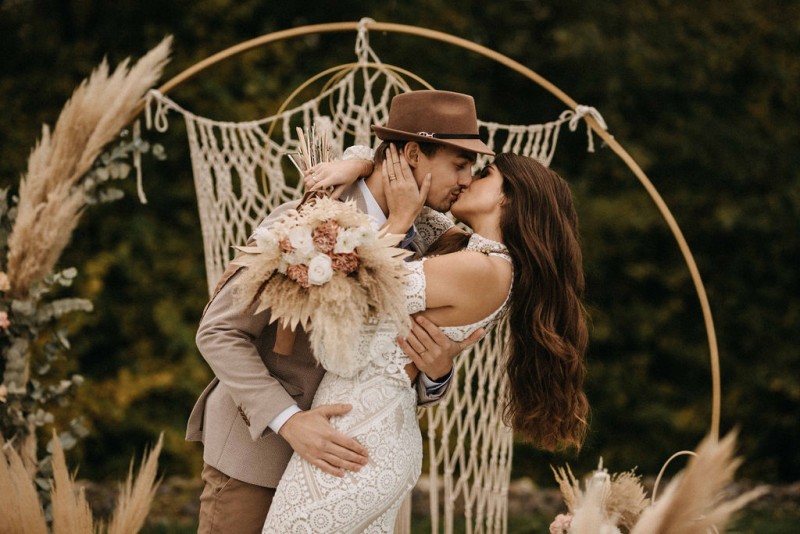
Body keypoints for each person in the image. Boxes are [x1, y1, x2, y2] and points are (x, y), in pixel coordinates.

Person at [188, 90, 493, 533]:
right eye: (460, 165)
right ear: (412, 154)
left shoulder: (430, 242)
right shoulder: (303, 221)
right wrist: (290, 422)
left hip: (352, 472)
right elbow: (218, 332)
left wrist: (437, 371)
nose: (467, 179)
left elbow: (392, 365)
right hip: (259, 459)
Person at [261, 147, 590, 532]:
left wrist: (399, 220)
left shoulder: (481, 269)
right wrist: (360, 164)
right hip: (358, 435)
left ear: (508, 197)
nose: (467, 179)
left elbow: (348, 293)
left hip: (359, 440)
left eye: (484, 173)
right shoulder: (470, 250)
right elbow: (392, 178)